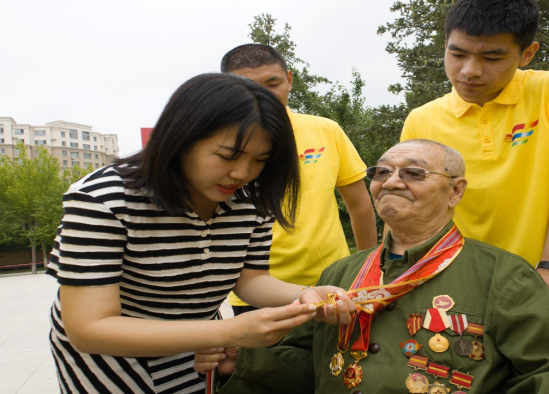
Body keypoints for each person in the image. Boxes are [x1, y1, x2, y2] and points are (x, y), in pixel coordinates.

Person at [195, 139, 549, 394]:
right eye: (382, 172)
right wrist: (243, 361)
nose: (390, 181)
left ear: (455, 190)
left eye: (413, 173)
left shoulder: (503, 276)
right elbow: (310, 366)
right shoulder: (339, 275)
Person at [46, 73, 355, 394]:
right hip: (111, 359)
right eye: (227, 156)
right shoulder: (104, 199)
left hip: (199, 349)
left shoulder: (251, 196)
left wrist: (304, 295)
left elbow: (250, 280)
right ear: (182, 138)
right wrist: (230, 332)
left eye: (260, 160)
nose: (242, 173)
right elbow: (89, 328)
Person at [399, 0, 549, 393]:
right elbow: (416, 208)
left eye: (492, 58)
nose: (470, 71)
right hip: (468, 298)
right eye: (458, 54)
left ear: (527, 53)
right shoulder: (422, 119)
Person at [220, 44, 377, 316]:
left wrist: (367, 270)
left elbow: (360, 205)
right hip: (255, 289)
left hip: (335, 283)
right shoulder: (219, 142)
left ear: (289, 79)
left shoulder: (325, 130)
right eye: (248, 87)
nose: (264, 95)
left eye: (273, 84)